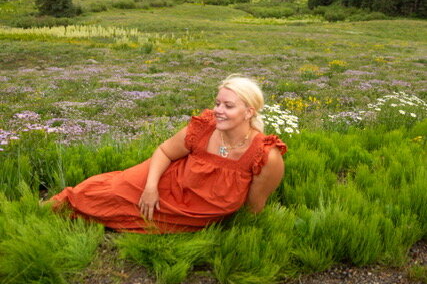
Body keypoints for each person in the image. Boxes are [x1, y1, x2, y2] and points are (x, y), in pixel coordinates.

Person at [50, 74, 287, 233]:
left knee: (135, 222)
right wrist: (151, 187)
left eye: (228, 106)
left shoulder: (265, 156)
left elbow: (254, 208)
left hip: (192, 213)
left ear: (249, 112)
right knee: (105, 191)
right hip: (165, 180)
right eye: (217, 103)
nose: (218, 111)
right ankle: (46, 208)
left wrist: (235, 234)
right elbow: (164, 151)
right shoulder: (204, 127)